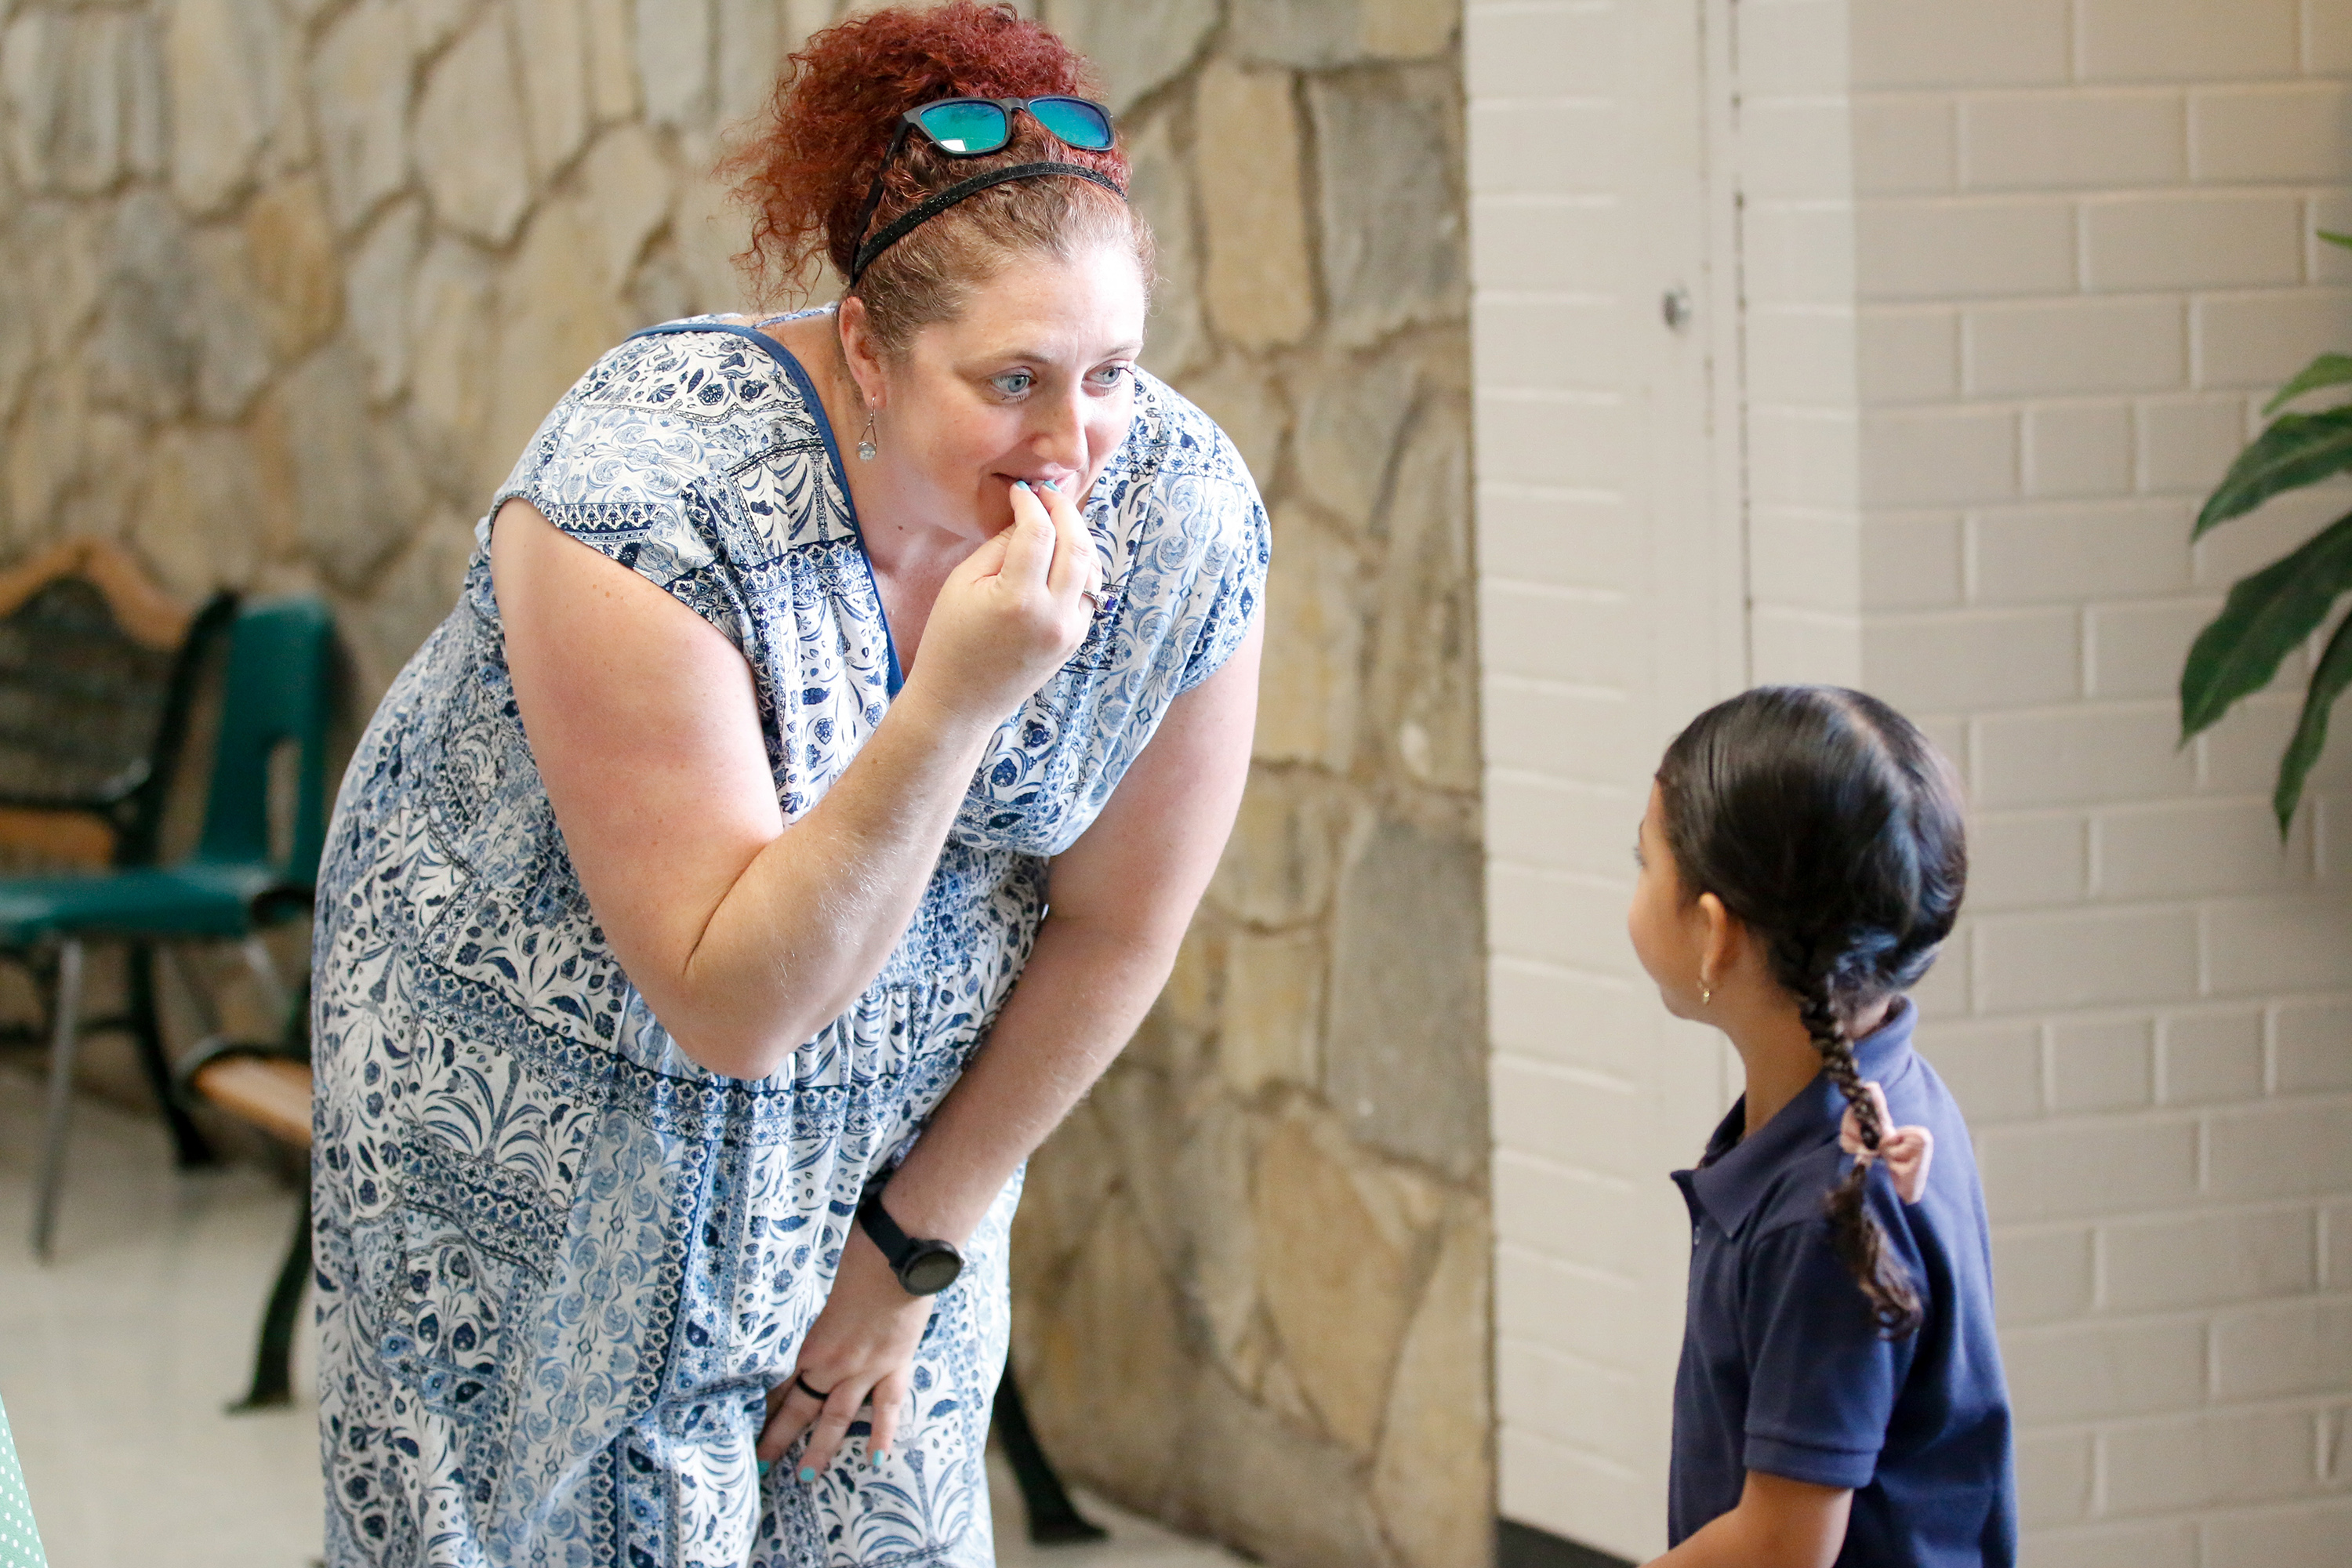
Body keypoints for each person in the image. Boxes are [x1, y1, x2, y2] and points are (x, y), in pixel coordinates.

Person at [307, 5, 1266, 1563]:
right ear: (869, 353)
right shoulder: (642, 503)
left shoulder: (1185, 519)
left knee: (884, 1512)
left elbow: (1115, 925)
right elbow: (732, 995)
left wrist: (911, 1245)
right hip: (545, 1116)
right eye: (1011, 378)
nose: (1070, 444)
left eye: (1110, 373)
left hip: (895, 1147)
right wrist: (954, 701)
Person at [1624, 688, 2016, 1568]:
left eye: (1644, 861)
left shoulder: (1828, 1207)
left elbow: (1781, 1543)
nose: (1636, 885)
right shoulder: (1895, 1101)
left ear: (1715, 933)